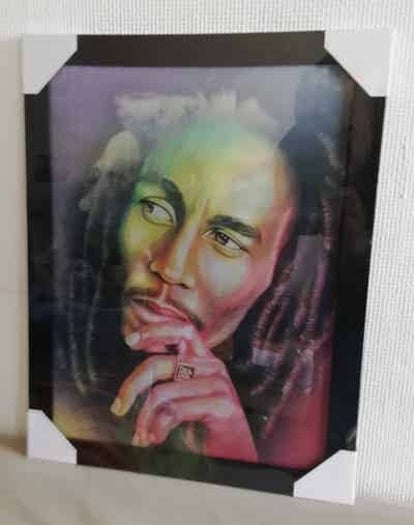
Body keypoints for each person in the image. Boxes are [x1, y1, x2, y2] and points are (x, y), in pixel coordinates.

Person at [55, 93, 343, 470]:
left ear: (275, 274)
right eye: (156, 209)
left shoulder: (303, 403)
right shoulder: (54, 366)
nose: (172, 267)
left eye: (226, 239)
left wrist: (235, 453)